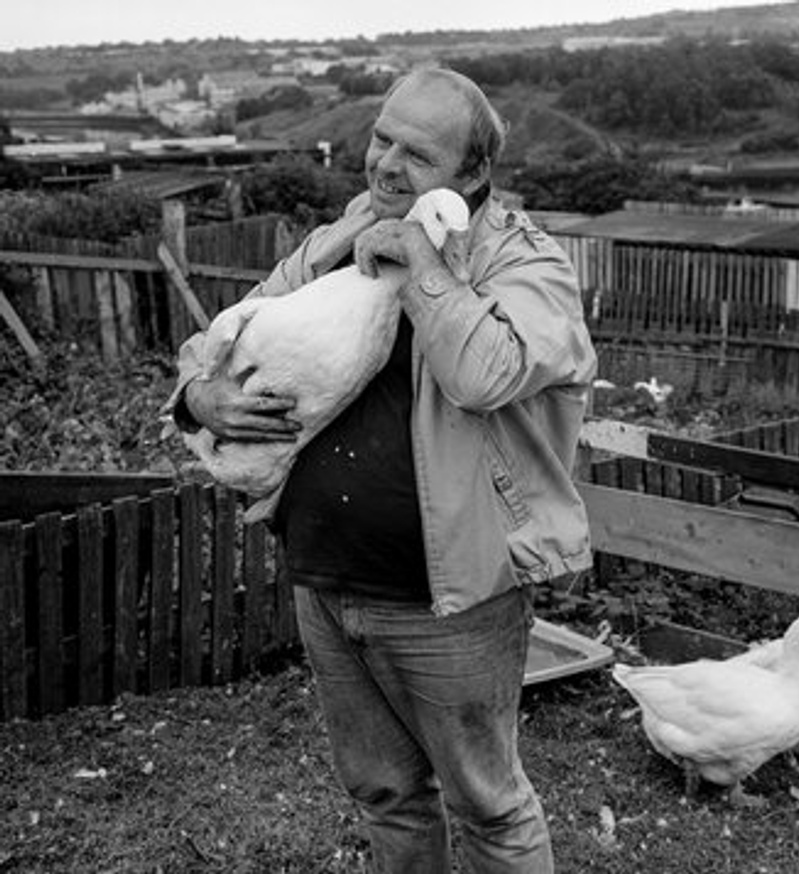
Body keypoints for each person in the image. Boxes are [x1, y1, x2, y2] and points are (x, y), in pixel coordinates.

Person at [160, 65, 597, 873]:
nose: (386, 165)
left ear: (472, 176)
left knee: (490, 808)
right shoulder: (337, 238)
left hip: (451, 597)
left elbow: (486, 375)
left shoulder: (526, 265)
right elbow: (233, 330)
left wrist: (422, 267)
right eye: (381, 138)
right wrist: (202, 396)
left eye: (417, 155)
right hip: (326, 578)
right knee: (387, 797)